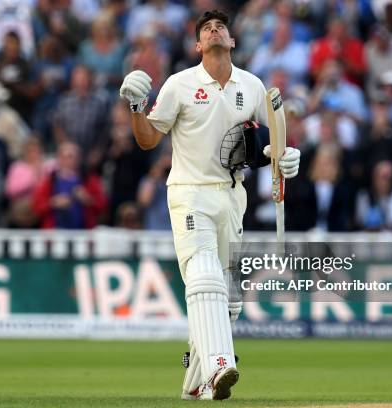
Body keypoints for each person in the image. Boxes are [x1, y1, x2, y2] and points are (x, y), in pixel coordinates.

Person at [119, 10, 300, 401]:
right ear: (198, 45)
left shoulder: (251, 86)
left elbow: (273, 139)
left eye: (220, 27)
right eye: (206, 29)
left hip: (232, 195)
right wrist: (136, 106)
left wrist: (286, 157)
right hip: (189, 190)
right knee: (203, 276)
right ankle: (221, 363)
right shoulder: (180, 84)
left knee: (229, 300)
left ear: (231, 41)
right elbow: (149, 140)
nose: (214, 30)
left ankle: (195, 383)